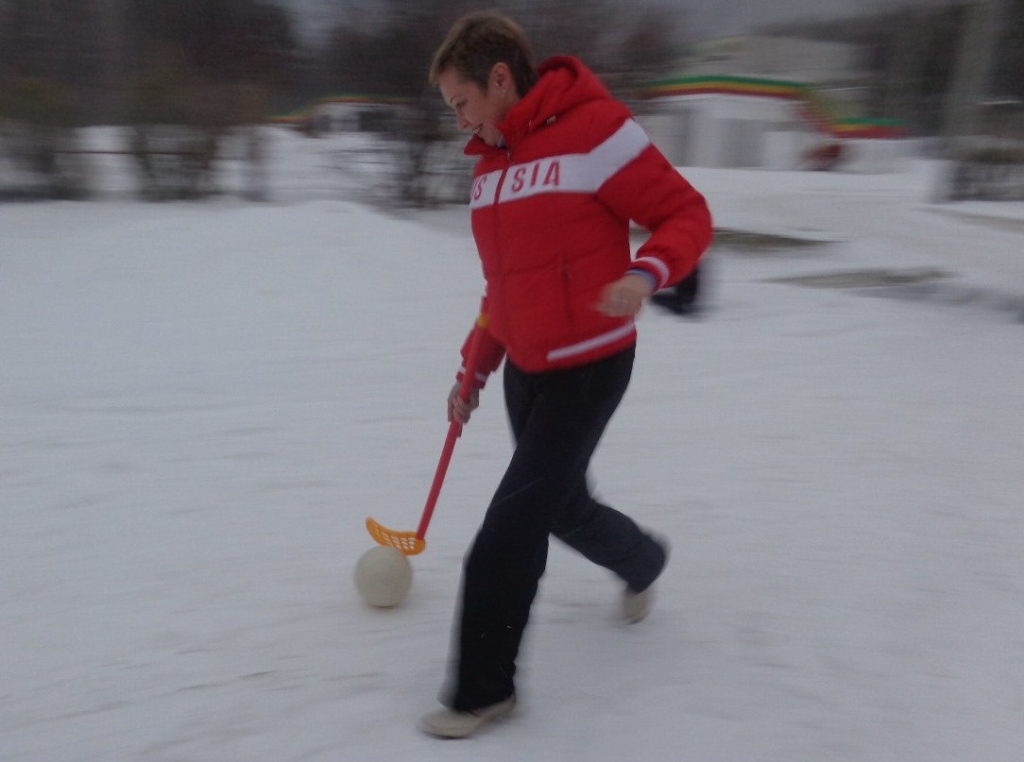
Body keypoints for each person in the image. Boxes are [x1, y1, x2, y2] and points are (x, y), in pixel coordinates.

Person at [419, 11, 713, 739]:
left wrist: (646, 273)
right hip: (525, 369)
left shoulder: (596, 130)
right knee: (560, 505)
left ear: (499, 78)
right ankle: (642, 559)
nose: (459, 120)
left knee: (511, 524)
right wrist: (472, 371)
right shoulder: (489, 172)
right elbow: (502, 291)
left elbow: (685, 213)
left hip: (592, 365)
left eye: (461, 102)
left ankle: (483, 692)